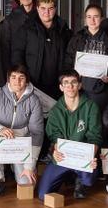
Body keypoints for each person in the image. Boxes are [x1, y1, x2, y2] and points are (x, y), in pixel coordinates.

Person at [0, 64, 44, 197]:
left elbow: (37, 133)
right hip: (1, 137)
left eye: (21, 77)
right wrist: (0, 129)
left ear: (27, 80)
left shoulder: (34, 100)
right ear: (8, 79)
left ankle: (17, 167)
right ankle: (0, 178)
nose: (17, 81)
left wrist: (29, 166)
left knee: (27, 184)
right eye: (13, 77)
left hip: (21, 141)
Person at [37, 70, 102, 200]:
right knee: (43, 195)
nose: (70, 86)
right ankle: (67, 175)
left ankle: (79, 178)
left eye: (73, 82)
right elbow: (54, 136)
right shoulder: (55, 110)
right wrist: (55, 150)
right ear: (61, 87)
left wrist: (90, 156)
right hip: (63, 157)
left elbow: (95, 136)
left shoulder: (91, 107)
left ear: (79, 85)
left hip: (83, 157)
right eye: (66, 83)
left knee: (88, 180)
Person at [11, 0, 72, 103]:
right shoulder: (26, 29)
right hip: (33, 85)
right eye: (43, 8)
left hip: (58, 86)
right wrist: (23, 79)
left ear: (55, 9)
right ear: (37, 8)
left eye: (50, 8)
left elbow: (70, 57)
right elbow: (17, 56)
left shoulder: (64, 30)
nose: (46, 12)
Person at [66, 4, 108, 111]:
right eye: (89, 17)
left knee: (98, 122)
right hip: (80, 89)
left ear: (102, 18)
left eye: (96, 16)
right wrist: (73, 75)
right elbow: (68, 61)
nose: (92, 20)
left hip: (101, 91)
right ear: (85, 19)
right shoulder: (77, 38)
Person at [0, 0, 37, 81]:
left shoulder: (41, 15)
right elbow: (5, 50)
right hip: (17, 69)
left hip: (37, 66)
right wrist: (7, 76)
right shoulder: (10, 20)